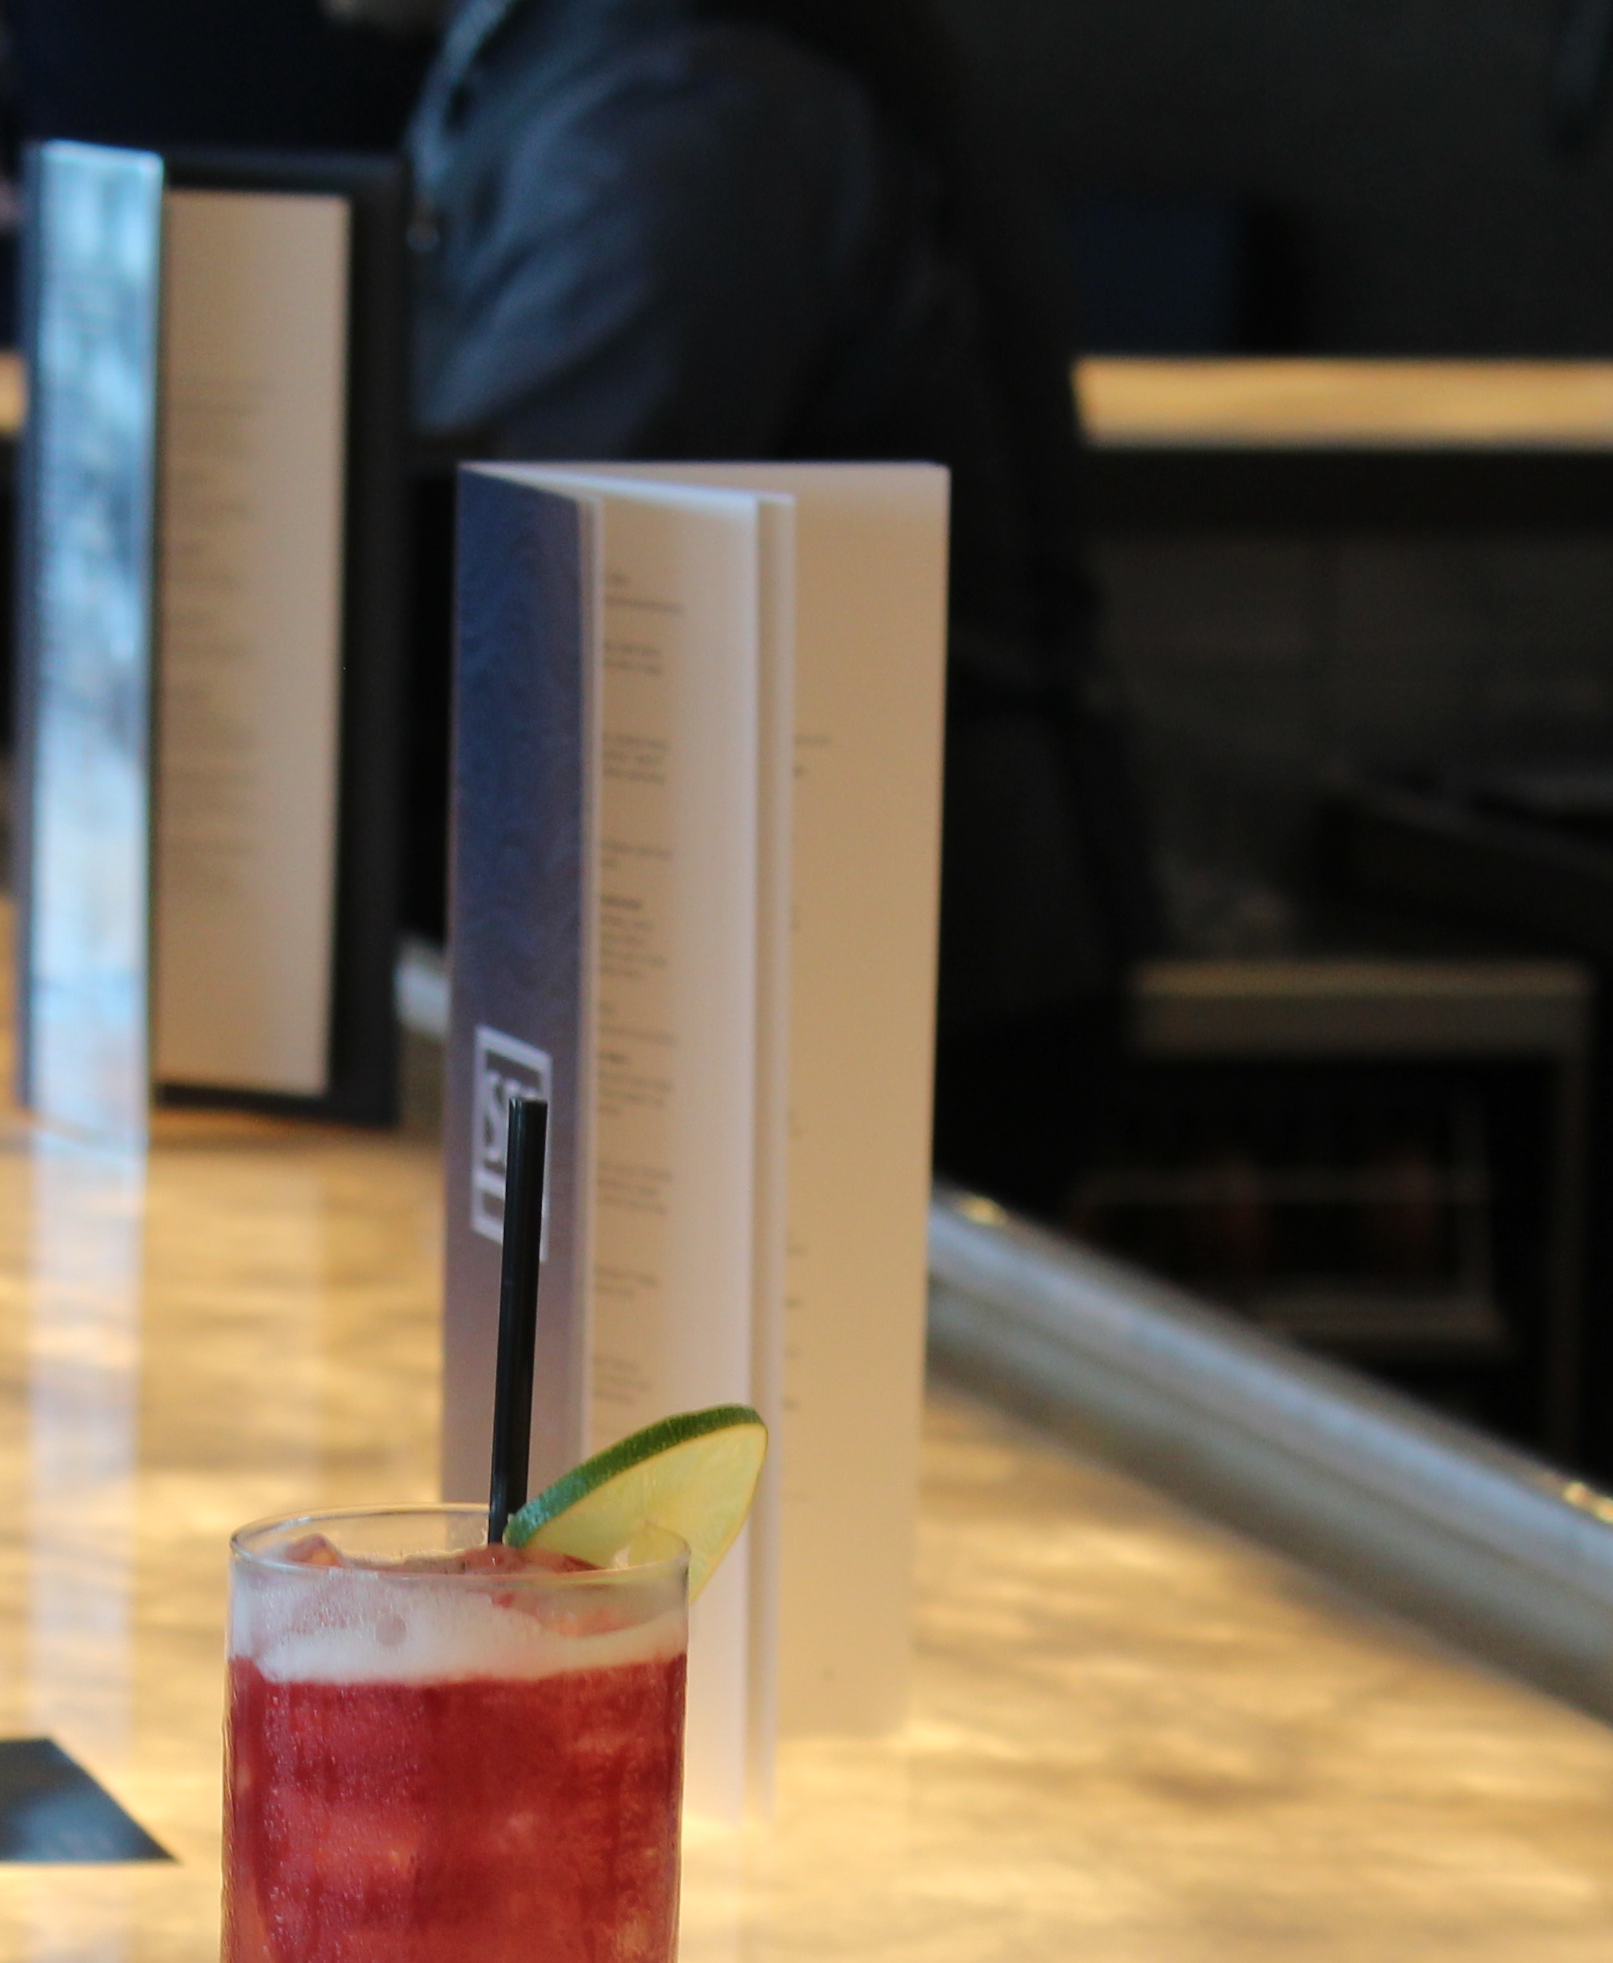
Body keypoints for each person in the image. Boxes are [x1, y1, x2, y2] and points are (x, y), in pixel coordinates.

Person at [392, 0, 1152, 1186]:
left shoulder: (688, 101)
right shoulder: (603, 58)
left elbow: (529, 563)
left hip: (865, 999)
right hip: (818, 963)